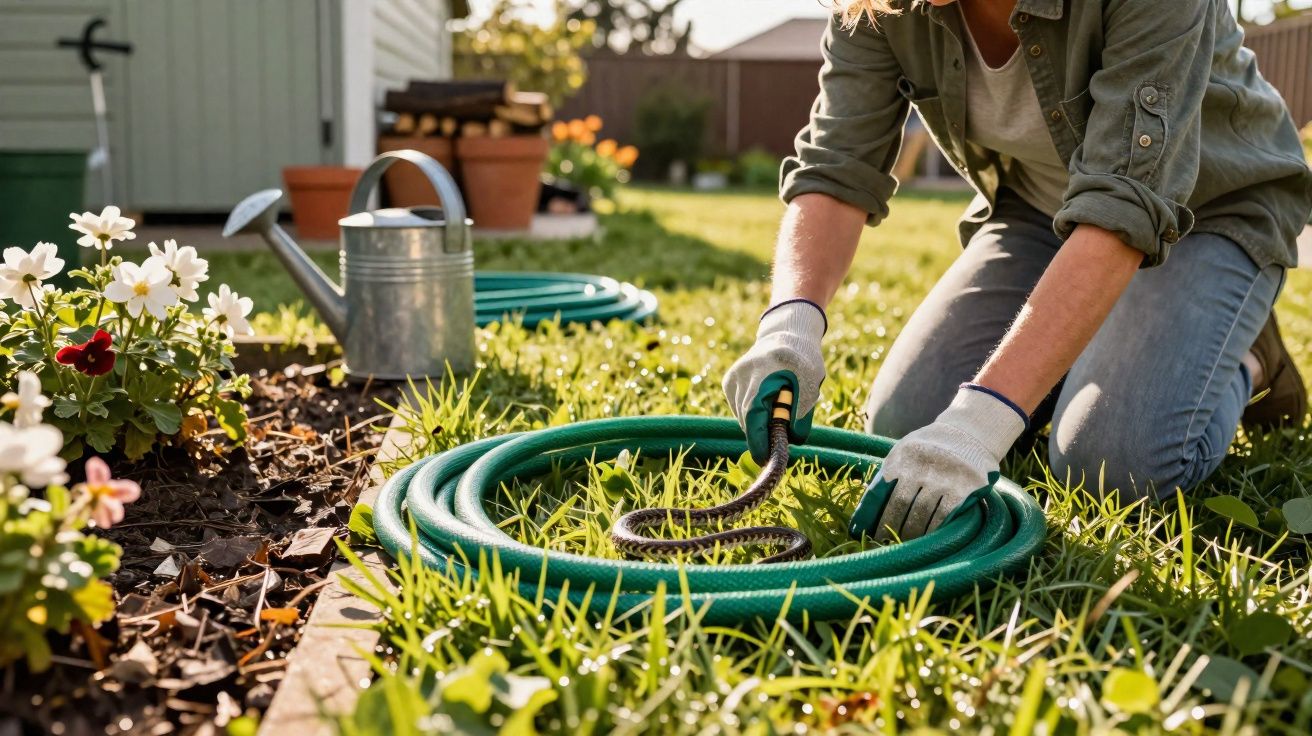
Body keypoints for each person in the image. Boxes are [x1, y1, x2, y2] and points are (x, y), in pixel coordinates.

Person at [723, 0, 1312, 542]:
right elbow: (835, 165)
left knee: (1111, 464)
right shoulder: (881, 3)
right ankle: (1099, 343)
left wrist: (981, 423)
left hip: (1208, 212)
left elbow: (1123, 203)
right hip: (1040, 211)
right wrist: (790, 324)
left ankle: (1248, 358)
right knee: (906, 421)